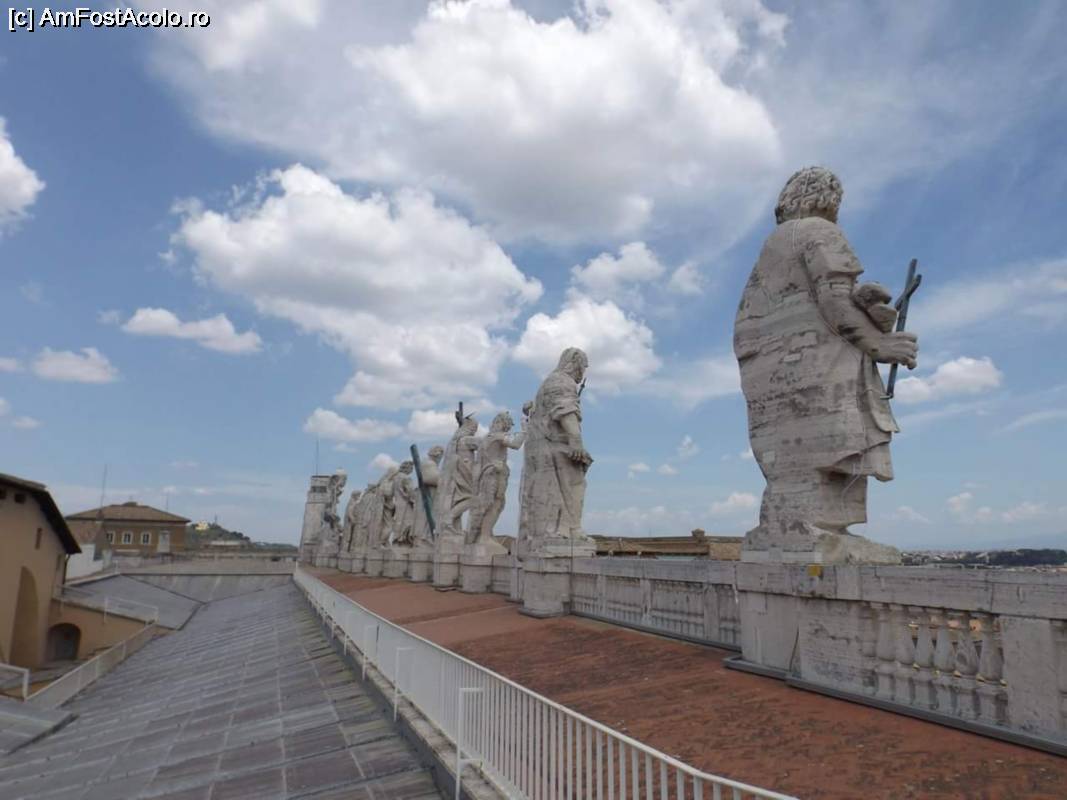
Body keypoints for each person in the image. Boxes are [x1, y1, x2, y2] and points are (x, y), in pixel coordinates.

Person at [734, 166, 918, 542]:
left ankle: (788, 528)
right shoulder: (819, 231)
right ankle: (811, 528)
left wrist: (864, 305)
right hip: (815, 366)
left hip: (771, 373)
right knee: (826, 449)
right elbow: (833, 298)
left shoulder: (771, 247)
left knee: (794, 462)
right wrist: (879, 343)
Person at [517, 347, 592, 550]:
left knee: (554, 489)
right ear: (575, 363)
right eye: (583, 366)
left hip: (542, 446)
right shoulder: (562, 381)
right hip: (554, 446)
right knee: (574, 485)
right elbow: (565, 410)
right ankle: (569, 529)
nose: (583, 372)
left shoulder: (549, 382)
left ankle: (562, 529)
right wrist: (576, 440)